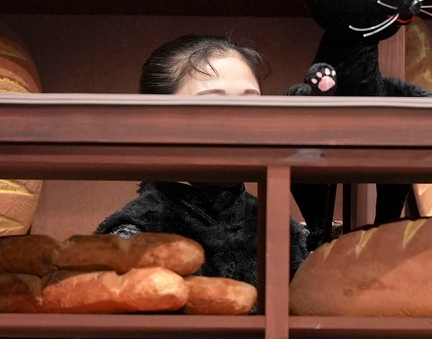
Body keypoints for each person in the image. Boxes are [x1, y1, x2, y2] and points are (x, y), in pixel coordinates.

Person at [96, 35, 310, 287]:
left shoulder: (283, 232)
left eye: (251, 103)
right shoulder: (134, 236)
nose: (240, 122)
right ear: (156, 122)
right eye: (214, 104)